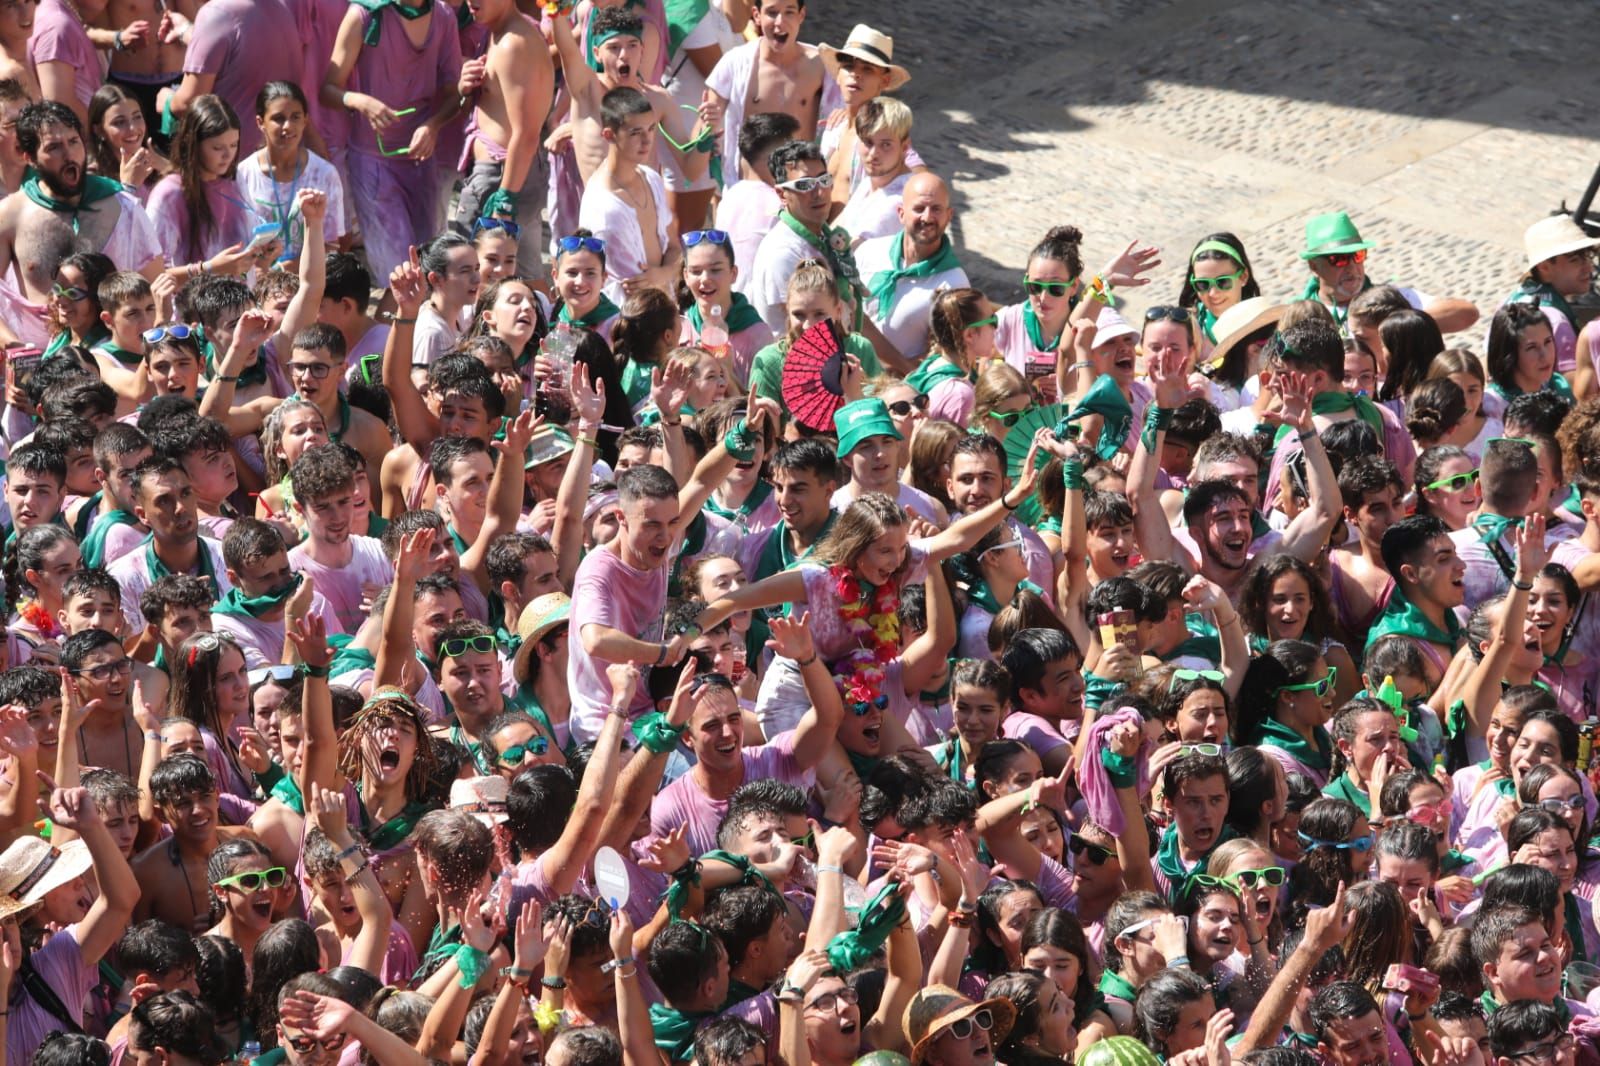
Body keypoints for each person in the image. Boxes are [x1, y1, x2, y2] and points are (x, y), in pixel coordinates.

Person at [319, 0, 463, 283]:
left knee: (428, 266)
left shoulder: (443, 16)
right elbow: (328, 90)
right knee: (397, 272)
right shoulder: (364, 15)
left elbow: (452, 95)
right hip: (373, 162)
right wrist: (360, 101)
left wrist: (432, 126)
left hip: (421, 161)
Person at [0, 102, 163, 345]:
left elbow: (156, 288)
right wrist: (12, 345)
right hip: (37, 361)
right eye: (54, 147)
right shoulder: (10, 214)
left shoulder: (123, 207)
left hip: (114, 357)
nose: (68, 155)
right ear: (29, 157)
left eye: (73, 142)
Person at [450, 0, 551, 274]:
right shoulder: (502, 33)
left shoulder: (513, 44)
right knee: (527, 275)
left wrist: (505, 200)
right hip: (513, 173)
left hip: (502, 179)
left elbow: (527, 132)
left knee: (467, 274)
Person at [704, 0, 835, 180]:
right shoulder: (734, 63)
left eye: (789, 12)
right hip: (748, 189)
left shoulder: (821, 66)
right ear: (757, 16)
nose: (779, 22)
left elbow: (841, 125)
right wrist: (707, 130)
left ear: (801, 15)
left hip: (799, 190)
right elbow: (703, 132)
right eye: (772, 13)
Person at [1297, 210, 1478, 335]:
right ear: (1314, 266)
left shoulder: (1393, 300)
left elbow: (1467, 313)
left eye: (1358, 256)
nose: (1352, 267)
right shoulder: (1299, 317)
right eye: (1339, 259)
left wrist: (1394, 326)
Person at [577, 87, 679, 303]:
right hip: (626, 320)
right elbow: (632, 288)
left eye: (651, 129)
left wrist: (663, 274)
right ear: (609, 134)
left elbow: (674, 247)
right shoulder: (605, 208)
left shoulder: (652, 179)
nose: (647, 140)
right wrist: (666, 274)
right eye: (635, 132)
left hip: (664, 306)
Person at [160, 0, 299, 159]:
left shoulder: (216, 13)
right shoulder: (279, 8)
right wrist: (185, 30)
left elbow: (187, 103)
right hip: (279, 159)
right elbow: (238, 49)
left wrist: (168, 100)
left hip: (230, 163)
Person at [854, 172, 965, 368]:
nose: (927, 217)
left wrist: (895, 370)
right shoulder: (868, 251)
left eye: (936, 209)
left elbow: (947, 354)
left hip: (898, 387)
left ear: (949, 216)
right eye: (919, 208)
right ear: (901, 213)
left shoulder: (955, 284)